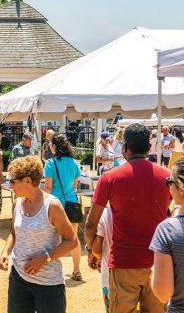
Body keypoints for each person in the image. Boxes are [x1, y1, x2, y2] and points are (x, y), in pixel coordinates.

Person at [85, 123, 171, 313]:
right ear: (149, 148)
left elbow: (91, 222)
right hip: (159, 262)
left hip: (124, 263)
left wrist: (90, 249)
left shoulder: (109, 178)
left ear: (124, 149)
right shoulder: (167, 176)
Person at [0, 155, 77, 313]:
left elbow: (72, 241)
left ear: (27, 180)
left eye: (12, 181)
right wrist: (5, 252)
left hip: (48, 285)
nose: (10, 186)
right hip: (19, 280)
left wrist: (45, 258)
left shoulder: (52, 206)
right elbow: (14, 233)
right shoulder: (17, 203)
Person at [43, 134, 82, 281]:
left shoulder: (50, 164)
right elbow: (74, 186)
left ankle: (51, 270)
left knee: (52, 239)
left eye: (51, 144)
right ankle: (77, 270)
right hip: (72, 203)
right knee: (74, 238)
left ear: (55, 146)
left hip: (56, 205)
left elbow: (47, 187)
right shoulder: (73, 162)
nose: (49, 147)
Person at [150, 158, 184, 312]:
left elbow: (163, 293)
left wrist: (154, 271)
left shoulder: (167, 230)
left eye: (170, 181)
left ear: (180, 188)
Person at [91, 207, 113, 313]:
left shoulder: (106, 213)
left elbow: (96, 250)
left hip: (111, 275)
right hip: (143, 273)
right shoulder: (146, 209)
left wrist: (98, 257)